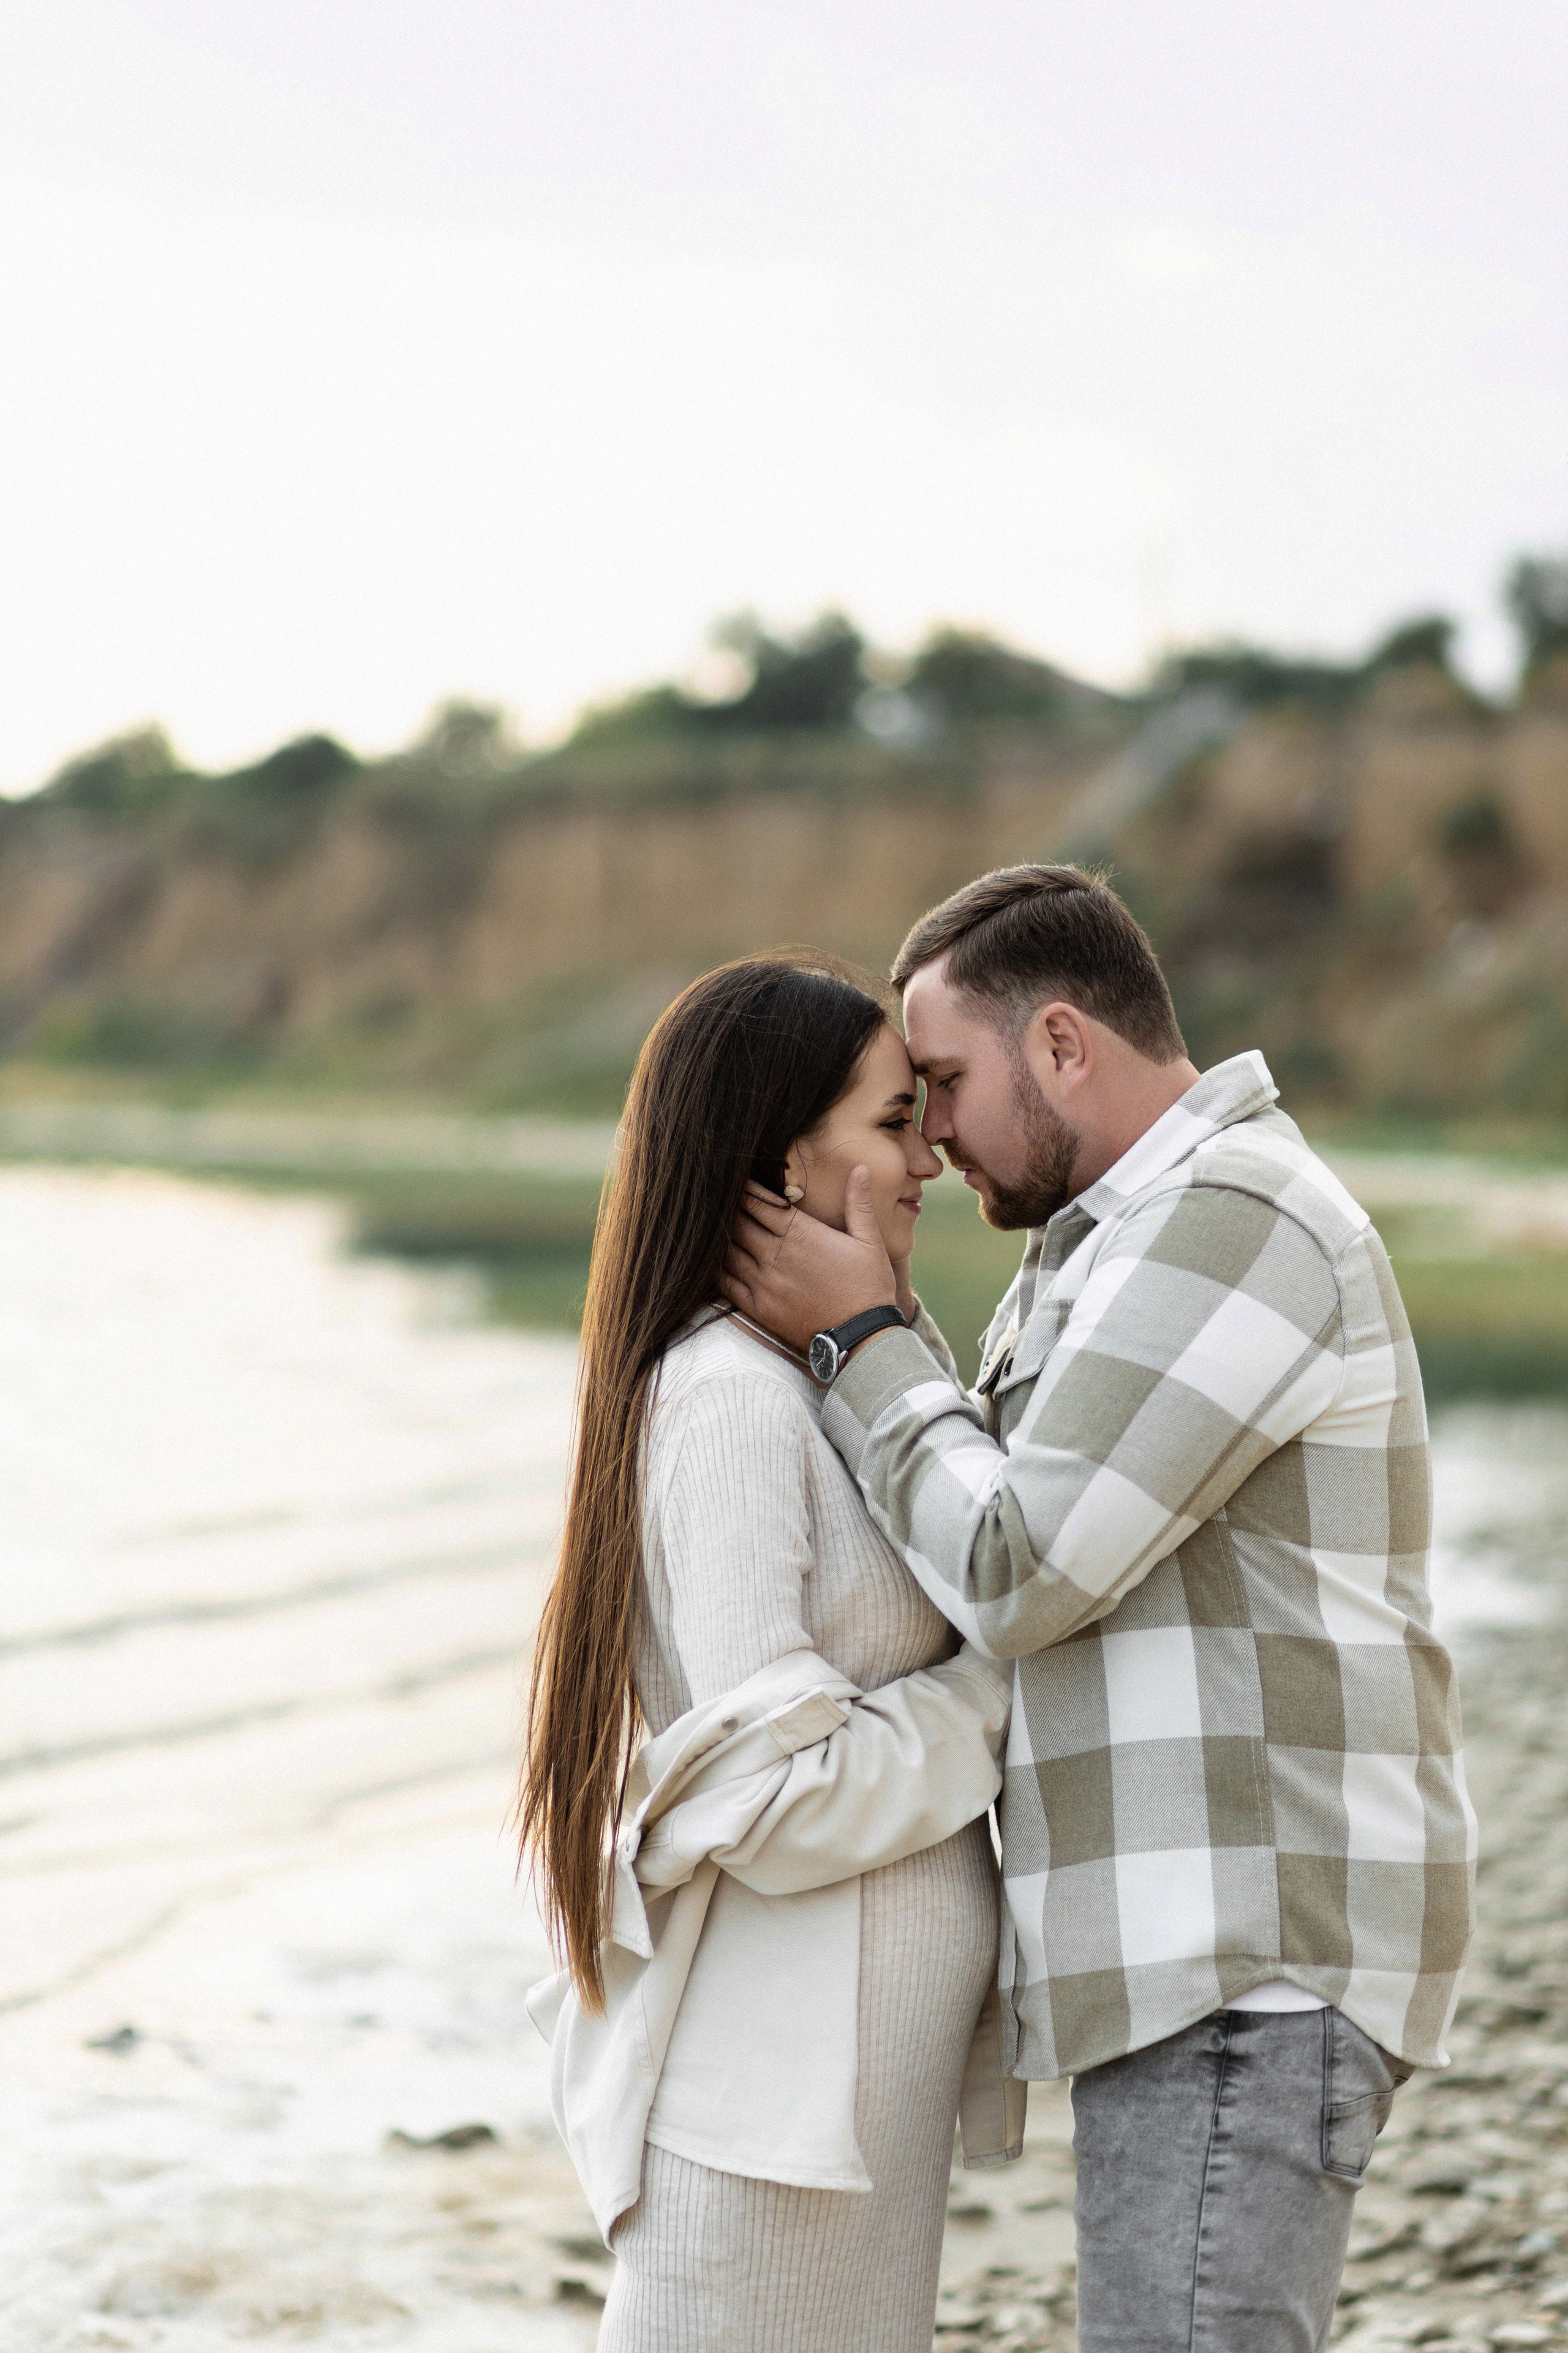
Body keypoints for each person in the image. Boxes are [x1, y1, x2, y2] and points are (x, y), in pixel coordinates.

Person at [724, 866, 1476, 2353]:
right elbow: (983, 1522)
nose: (929, 1135)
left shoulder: (1235, 1219)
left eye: (940, 1081)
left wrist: (858, 1337)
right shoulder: (1105, 1243)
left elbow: (1017, 1565)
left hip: (1244, 1954)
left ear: (1060, 1044)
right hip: (1198, 1953)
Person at [519, 953, 1021, 2353]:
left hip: (842, 2116)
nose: (927, 1152)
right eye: (888, 1120)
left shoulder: (836, 1376)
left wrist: (877, 1324)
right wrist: (1000, 1698)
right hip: (770, 2131)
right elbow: (764, 1793)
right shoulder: (729, 1402)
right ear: (778, 1161)